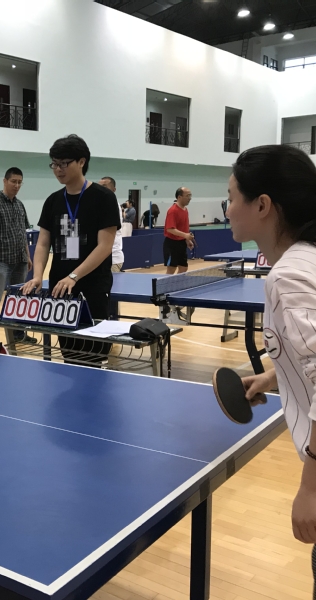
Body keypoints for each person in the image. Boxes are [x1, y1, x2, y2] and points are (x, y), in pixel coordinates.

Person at [225, 144, 316, 594]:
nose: (227, 208)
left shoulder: (289, 276)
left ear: (262, 205)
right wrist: (278, 373)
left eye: (231, 197)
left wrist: (311, 488)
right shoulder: (307, 258)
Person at [23, 135, 120, 361]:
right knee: (69, 355)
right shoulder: (52, 201)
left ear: (82, 162)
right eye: (54, 164)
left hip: (93, 287)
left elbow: (105, 246)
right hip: (61, 290)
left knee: (94, 356)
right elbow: (43, 243)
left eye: (64, 164)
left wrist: (74, 276)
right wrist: (37, 276)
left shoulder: (103, 198)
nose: (58, 169)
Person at [0, 168, 32, 325]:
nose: (17, 185)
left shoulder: (20, 205)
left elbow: (22, 233)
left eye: (19, 182)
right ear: (5, 181)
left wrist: (28, 256)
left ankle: (18, 334)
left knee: (19, 300)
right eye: (13, 181)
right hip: (1, 261)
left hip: (20, 260)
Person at [163, 187, 195, 275]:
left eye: (190, 196)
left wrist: (187, 240)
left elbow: (184, 228)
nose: (189, 198)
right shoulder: (173, 211)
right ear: (179, 197)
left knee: (184, 267)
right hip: (172, 244)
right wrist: (185, 235)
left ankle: (176, 283)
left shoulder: (185, 210)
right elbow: (170, 229)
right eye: (187, 196)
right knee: (171, 269)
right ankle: (167, 284)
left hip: (181, 243)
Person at [99, 177, 124, 273]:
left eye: (104, 186)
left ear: (114, 189)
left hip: (113, 258)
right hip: (100, 258)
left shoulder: (112, 205)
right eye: (99, 186)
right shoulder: (101, 204)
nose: (101, 188)